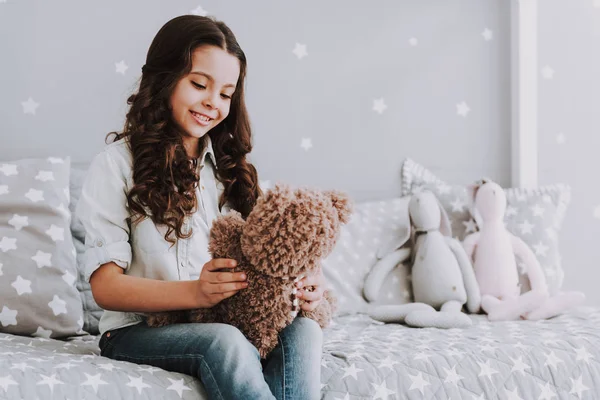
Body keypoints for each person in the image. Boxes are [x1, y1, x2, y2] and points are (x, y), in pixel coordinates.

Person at [76, 14, 325, 400]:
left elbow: (266, 259)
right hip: (135, 332)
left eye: (226, 93)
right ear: (164, 79)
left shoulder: (232, 174)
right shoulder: (114, 165)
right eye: (198, 84)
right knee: (224, 342)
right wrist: (197, 293)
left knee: (305, 330)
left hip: (223, 321)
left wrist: (304, 287)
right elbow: (105, 288)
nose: (213, 102)